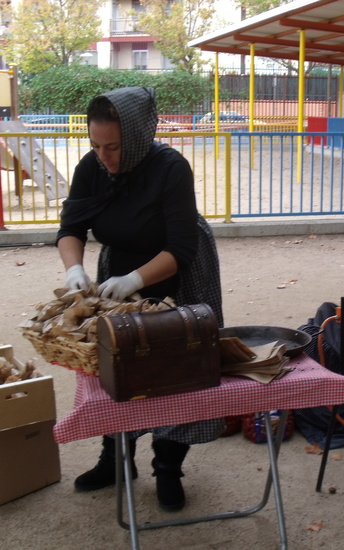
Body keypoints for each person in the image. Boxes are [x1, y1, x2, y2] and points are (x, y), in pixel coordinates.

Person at [56, 86, 224, 512]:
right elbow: (71, 227)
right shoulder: (92, 167)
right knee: (115, 366)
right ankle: (116, 458)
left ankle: (168, 466)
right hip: (120, 266)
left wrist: (135, 279)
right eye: (96, 146)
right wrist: (74, 269)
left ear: (137, 136)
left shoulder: (170, 168)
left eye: (113, 146)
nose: (104, 156)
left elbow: (181, 249)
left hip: (178, 270)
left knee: (177, 370)